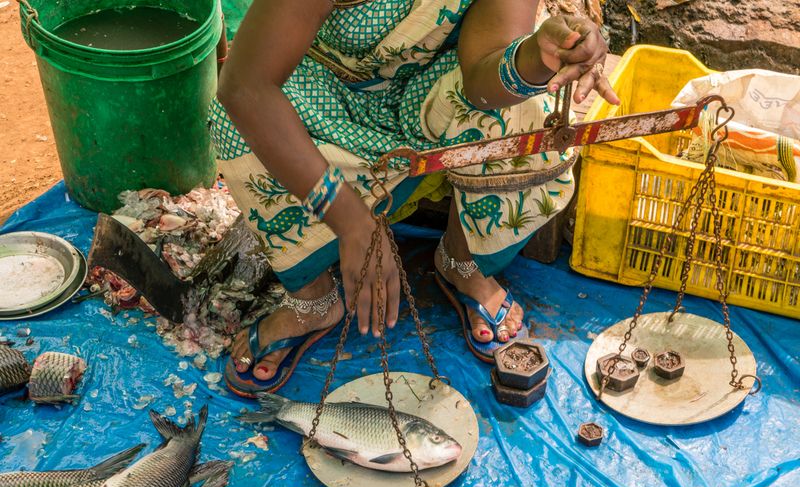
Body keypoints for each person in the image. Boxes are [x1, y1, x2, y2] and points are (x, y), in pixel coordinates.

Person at [212, 0, 619, 397]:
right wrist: (352, 222)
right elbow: (246, 85)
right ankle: (313, 299)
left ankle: (463, 260)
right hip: (330, 93)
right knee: (235, 125)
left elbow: (482, 76)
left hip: (443, 88)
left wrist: (536, 56)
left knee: (527, 109)